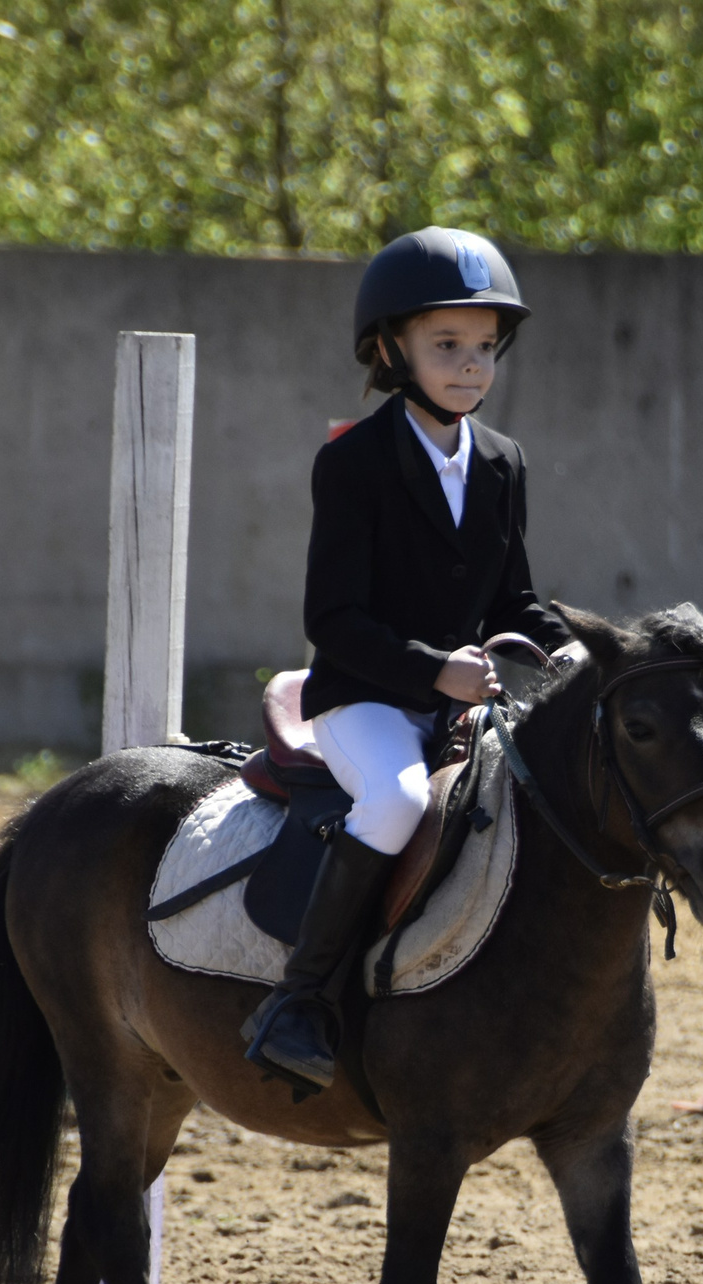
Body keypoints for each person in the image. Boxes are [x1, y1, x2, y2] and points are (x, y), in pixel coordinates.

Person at [243, 226, 575, 1095]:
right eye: (447, 345)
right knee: (396, 800)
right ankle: (299, 1000)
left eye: (485, 348)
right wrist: (436, 672)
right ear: (392, 349)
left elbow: (513, 599)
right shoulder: (352, 462)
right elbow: (333, 619)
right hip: (365, 700)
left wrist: (571, 647)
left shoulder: (503, 462)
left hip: (459, 702)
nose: (472, 365)